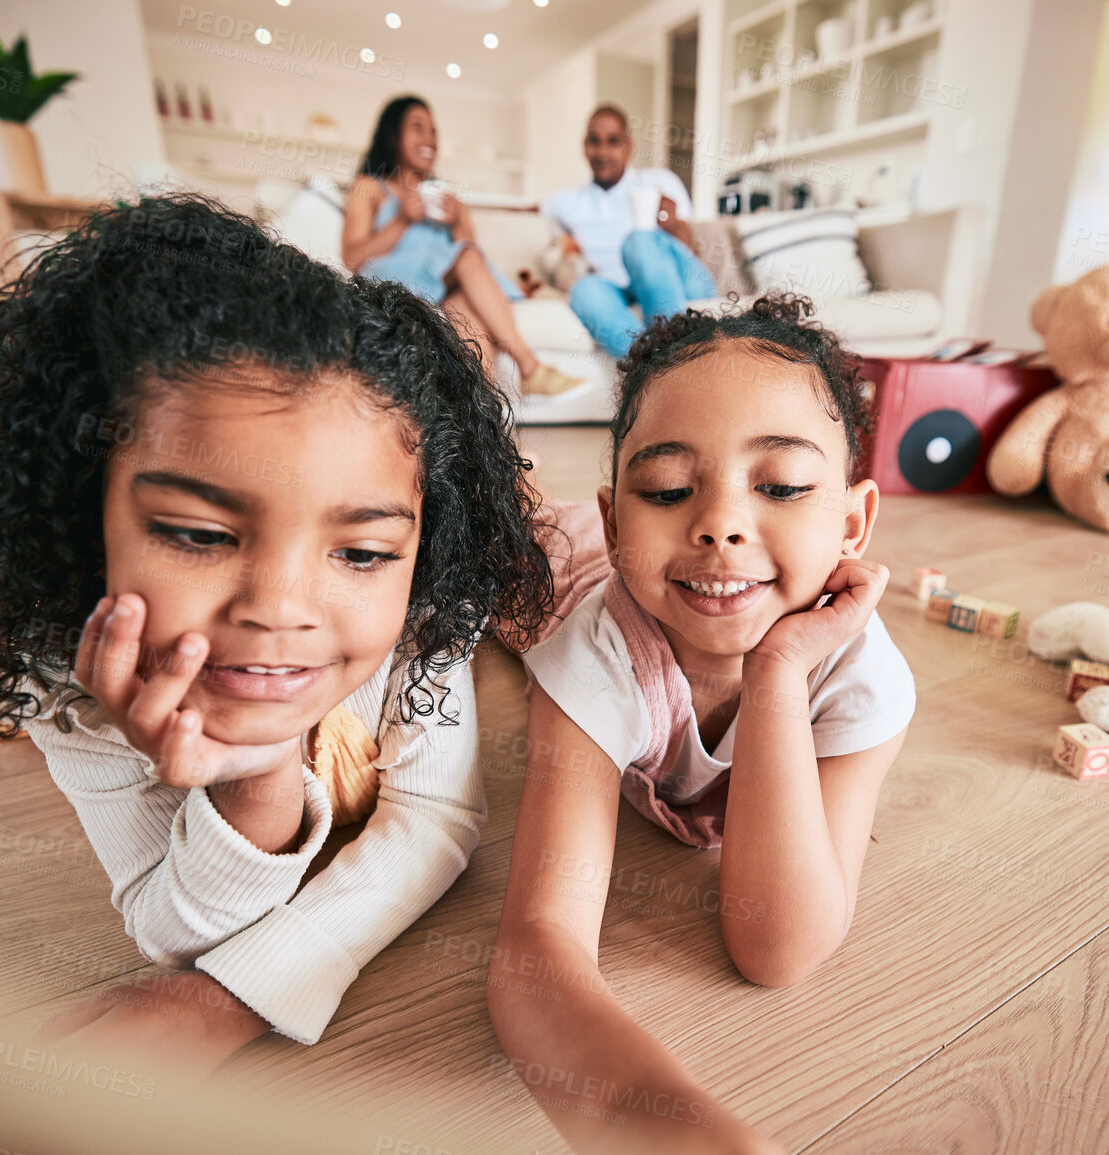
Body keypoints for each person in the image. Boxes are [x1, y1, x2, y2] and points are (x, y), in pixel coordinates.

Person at [0, 193, 554, 1071]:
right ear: (86, 514)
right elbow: (164, 921)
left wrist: (232, 996)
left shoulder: (423, 606)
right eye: (198, 535)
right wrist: (257, 779)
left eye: (363, 549)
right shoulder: (65, 668)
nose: (279, 607)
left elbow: (434, 819)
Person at [488, 294, 916, 1152]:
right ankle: (526, 497)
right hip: (559, 573)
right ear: (618, 519)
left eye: (784, 486)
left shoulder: (862, 680)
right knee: (502, 545)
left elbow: (776, 949)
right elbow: (538, 942)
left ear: (852, 522)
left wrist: (779, 672)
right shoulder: (598, 651)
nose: (718, 523)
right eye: (667, 487)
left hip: (638, 574)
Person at [345, 95, 582, 395]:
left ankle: (485, 419)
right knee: (466, 259)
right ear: (393, 135)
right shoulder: (370, 187)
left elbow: (472, 258)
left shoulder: (450, 200)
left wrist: (456, 220)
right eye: (418, 127)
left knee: (466, 309)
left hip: (441, 281)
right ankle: (530, 367)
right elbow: (353, 258)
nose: (429, 138)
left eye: (434, 131)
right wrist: (402, 221)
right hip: (393, 275)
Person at [543, 104, 718, 359]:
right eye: (595, 141)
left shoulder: (660, 181)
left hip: (674, 278)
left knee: (638, 241)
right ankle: (651, 365)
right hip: (617, 287)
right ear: (584, 146)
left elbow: (692, 253)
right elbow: (522, 211)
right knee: (584, 289)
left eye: (613, 141)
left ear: (628, 146)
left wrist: (674, 225)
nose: (603, 151)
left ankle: (675, 351)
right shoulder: (567, 202)